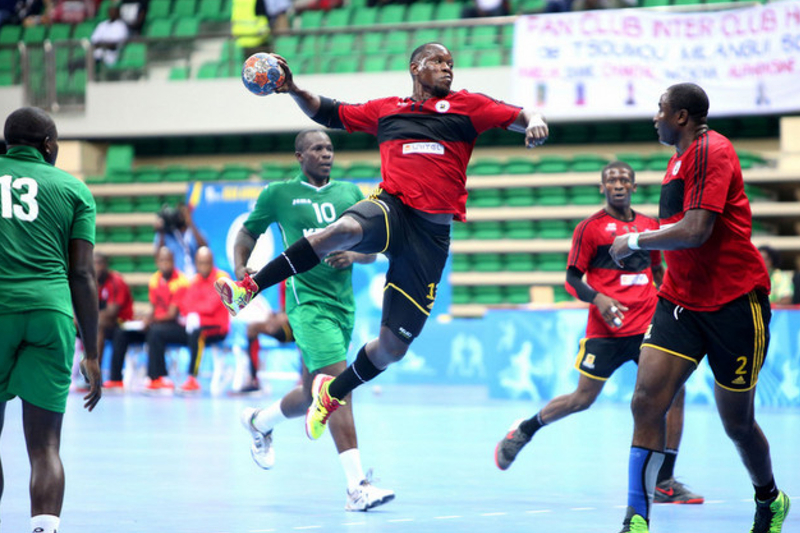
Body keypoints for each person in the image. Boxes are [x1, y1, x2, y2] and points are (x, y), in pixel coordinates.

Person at [215, 42, 549, 441]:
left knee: (392, 347)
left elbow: (518, 114)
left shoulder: (467, 106)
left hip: (430, 236)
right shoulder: (387, 109)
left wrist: (534, 120)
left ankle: (330, 395)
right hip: (393, 208)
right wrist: (292, 89)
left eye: (451, 64)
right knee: (339, 232)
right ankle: (247, 289)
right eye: (438, 62)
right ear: (415, 67)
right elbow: (330, 110)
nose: (448, 69)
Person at [608, 83, 790, 533]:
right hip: (680, 301)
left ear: (682, 116)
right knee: (646, 401)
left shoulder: (713, 150)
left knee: (738, 424)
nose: (655, 118)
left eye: (661, 110)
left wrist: (633, 240)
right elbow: (678, 232)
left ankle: (770, 498)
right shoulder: (678, 159)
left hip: (734, 304)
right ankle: (636, 517)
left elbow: (695, 230)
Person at [494, 161, 703, 505]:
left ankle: (664, 481)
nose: (618, 184)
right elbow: (572, 280)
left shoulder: (649, 227)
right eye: (611, 180)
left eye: (624, 179)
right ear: (602, 187)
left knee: (675, 392)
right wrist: (599, 298)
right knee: (582, 399)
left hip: (648, 327)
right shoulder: (589, 229)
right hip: (606, 330)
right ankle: (524, 430)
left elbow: (657, 271)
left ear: (634, 187)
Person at [235, 129, 393, 510]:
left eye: (330, 148)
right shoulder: (279, 195)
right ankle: (357, 486)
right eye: (317, 148)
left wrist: (354, 256)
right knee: (338, 387)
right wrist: (243, 271)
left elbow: (371, 251)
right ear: (299, 155)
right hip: (307, 305)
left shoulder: (350, 194)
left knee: (312, 393)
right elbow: (247, 232)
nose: (326, 154)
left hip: (343, 307)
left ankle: (259, 421)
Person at [0, 107, 101, 533]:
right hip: (51, 314)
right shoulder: (74, 189)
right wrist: (93, 354)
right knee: (45, 446)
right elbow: (81, 274)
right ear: (48, 145)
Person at [178, 246, 230, 393]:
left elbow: (211, 305)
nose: (203, 266)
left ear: (212, 261)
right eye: (200, 263)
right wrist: (193, 313)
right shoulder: (195, 280)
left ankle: (192, 379)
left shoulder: (222, 277)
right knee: (158, 332)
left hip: (217, 327)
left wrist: (195, 313)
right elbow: (185, 305)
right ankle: (158, 378)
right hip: (197, 324)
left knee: (197, 334)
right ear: (196, 263)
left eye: (206, 262)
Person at [94, 252, 134, 386]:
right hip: (100, 323)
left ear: (106, 265)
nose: (97, 267)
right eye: (93, 264)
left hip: (122, 323)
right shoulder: (90, 282)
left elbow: (112, 312)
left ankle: (96, 375)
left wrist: (87, 319)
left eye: (100, 263)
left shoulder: (116, 281)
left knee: (101, 327)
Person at [154, 203, 207, 277]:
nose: (180, 217)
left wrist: (190, 223)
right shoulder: (167, 234)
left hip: (195, 278)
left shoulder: (194, 232)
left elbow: (204, 247)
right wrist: (161, 231)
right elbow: (158, 256)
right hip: (175, 281)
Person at [90, 4, 129, 68]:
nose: (112, 12)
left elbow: (113, 45)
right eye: (111, 10)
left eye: (114, 10)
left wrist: (101, 44)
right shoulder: (102, 25)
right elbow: (93, 42)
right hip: (95, 56)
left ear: (118, 12)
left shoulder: (122, 26)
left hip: (110, 57)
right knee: (76, 63)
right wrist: (104, 44)